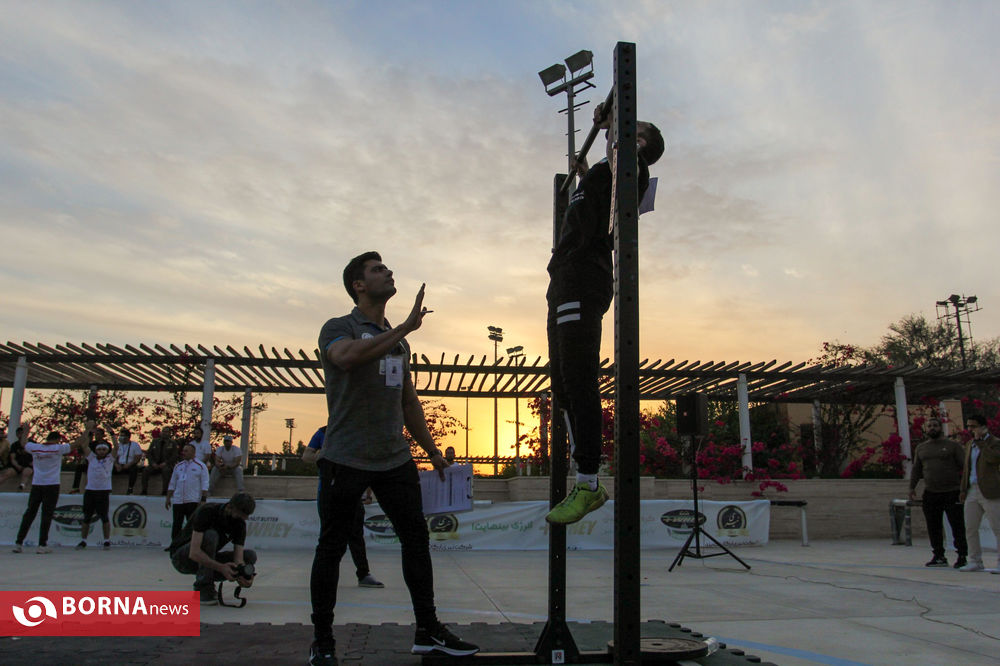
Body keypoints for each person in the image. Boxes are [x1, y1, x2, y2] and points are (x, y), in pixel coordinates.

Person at [307, 252, 478, 665]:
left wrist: (432, 451)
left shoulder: (399, 344)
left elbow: (408, 403)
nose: (388, 272)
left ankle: (427, 630)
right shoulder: (339, 327)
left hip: (394, 459)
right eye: (378, 269)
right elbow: (346, 357)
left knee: (417, 541)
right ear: (358, 285)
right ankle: (323, 641)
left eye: (387, 268)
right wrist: (403, 326)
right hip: (345, 457)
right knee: (331, 548)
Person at [544, 102, 664, 524]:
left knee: (579, 377)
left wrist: (613, 123)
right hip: (563, 277)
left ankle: (589, 482)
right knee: (561, 382)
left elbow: (619, 151)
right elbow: (596, 207)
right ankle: (583, 479)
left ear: (638, 141)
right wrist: (582, 174)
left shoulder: (632, 168)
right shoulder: (605, 173)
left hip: (584, 277)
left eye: (629, 129)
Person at [303, 426, 383, 589]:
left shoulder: (356, 431)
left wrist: (368, 493)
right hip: (328, 491)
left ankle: (363, 573)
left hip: (352, 491)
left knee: (356, 535)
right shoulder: (323, 432)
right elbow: (306, 455)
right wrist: (324, 455)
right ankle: (324, 575)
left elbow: (367, 463)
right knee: (327, 535)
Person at [168, 492, 257, 606]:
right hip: (182, 558)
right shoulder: (207, 511)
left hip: (207, 561)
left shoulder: (239, 524)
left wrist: (243, 575)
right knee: (211, 535)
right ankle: (203, 588)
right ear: (230, 507)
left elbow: (238, 559)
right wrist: (221, 568)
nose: (243, 519)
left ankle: (208, 579)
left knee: (250, 556)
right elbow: (194, 553)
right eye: (240, 515)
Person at [12, 426, 89, 553]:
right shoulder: (57, 448)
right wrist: (88, 430)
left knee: (29, 514)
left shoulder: (36, 447)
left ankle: (18, 543)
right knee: (47, 515)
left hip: (37, 484)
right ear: (57, 440)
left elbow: (23, 443)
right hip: (52, 485)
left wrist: (26, 431)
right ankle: (42, 545)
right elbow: (77, 443)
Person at [909, 417, 967, 568]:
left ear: (940, 428)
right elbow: (916, 469)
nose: (932, 428)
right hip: (931, 492)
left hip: (952, 491)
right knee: (933, 526)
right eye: (929, 426)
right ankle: (939, 555)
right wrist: (911, 487)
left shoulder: (953, 446)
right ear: (926, 429)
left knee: (957, 526)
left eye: (935, 425)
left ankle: (962, 556)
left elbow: (965, 467)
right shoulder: (921, 448)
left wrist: (964, 488)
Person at [959, 413, 1000, 572]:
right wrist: (963, 489)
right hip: (972, 489)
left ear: (983, 427)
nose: (971, 429)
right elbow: (967, 468)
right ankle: (975, 560)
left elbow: (993, 459)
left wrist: (982, 443)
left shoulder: (995, 442)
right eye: (969, 426)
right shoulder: (970, 444)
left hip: (990, 490)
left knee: (997, 527)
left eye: (974, 426)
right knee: (970, 527)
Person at [74, 421, 115, 550]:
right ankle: (83, 540)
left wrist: (111, 432)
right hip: (90, 491)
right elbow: (84, 445)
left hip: (103, 491)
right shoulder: (91, 458)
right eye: (99, 449)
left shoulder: (110, 459)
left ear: (107, 451)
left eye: (104, 449)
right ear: (96, 451)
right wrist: (89, 431)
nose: (101, 451)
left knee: (104, 517)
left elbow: (117, 446)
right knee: (87, 517)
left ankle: (107, 541)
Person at [166, 443, 209, 541]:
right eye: (183, 451)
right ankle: (175, 544)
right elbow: (172, 482)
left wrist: (203, 499)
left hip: (192, 500)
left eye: (186, 451)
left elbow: (205, 484)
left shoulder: (201, 466)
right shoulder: (178, 466)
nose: (183, 453)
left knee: (191, 524)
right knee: (177, 524)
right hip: (178, 500)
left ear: (193, 452)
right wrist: (168, 497)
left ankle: (190, 544)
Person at [142, 426, 178, 495]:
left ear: (169, 433)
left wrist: (166, 463)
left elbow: (174, 456)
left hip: (166, 464)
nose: (165, 433)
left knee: (166, 471)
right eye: (163, 431)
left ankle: (165, 491)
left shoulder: (173, 443)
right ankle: (144, 490)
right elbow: (149, 453)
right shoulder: (155, 441)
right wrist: (152, 463)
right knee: (145, 471)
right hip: (154, 464)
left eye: (167, 432)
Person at [109, 426, 143, 494]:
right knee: (108, 469)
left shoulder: (135, 445)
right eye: (120, 435)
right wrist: (116, 465)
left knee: (134, 469)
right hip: (119, 465)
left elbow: (137, 457)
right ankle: (108, 488)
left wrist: (129, 464)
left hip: (129, 464)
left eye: (123, 436)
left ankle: (130, 488)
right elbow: (114, 457)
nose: (121, 437)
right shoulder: (118, 446)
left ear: (128, 437)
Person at [8, 425, 35, 491]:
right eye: (19, 433)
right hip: (18, 464)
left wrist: (34, 463)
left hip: (29, 465)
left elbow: (37, 455)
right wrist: (17, 465)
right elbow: (12, 458)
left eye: (22, 433)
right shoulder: (14, 445)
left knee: (27, 471)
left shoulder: (32, 443)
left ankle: (22, 486)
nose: (20, 435)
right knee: (7, 472)